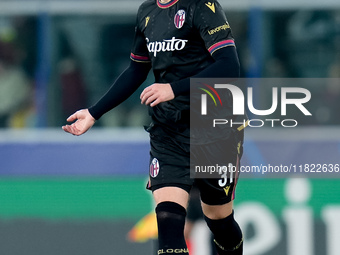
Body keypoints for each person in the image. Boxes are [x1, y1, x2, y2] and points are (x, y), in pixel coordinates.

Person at [63, 0, 244, 254]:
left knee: (218, 219)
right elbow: (136, 70)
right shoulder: (147, 12)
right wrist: (94, 112)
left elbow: (229, 66)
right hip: (168, 129)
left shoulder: (201, 6)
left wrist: (173, 88)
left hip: (214, 128)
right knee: (169, 222)